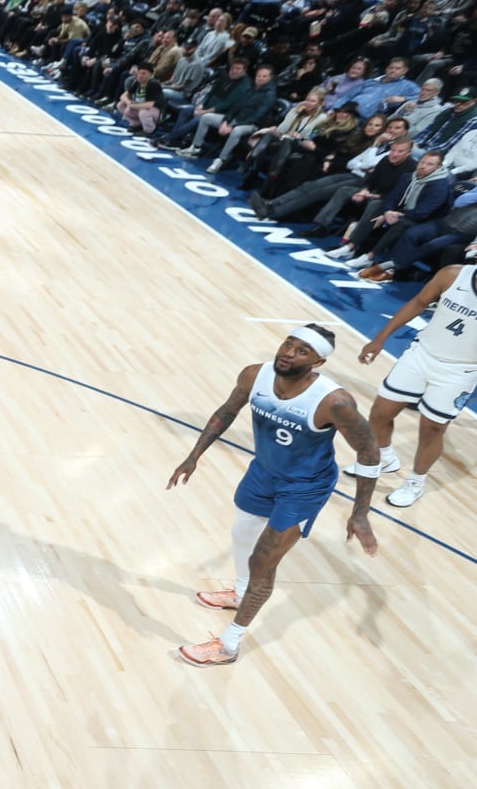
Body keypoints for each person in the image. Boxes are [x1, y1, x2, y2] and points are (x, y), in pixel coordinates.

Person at [167, 327, 380, 666]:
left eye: (302, 351)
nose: (289, 352)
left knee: (262, 563)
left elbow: (369, 453)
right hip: (263, 471)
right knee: (241, 533)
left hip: (304, 487)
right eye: (288, 343)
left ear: (318, 362)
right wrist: (194, 456)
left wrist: (360, 513)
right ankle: (240, 594)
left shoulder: (333, 402)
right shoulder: (255, 375)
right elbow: (227, 411)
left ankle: (229, 645)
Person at [352, 262, 477, 507]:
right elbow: (419, 302)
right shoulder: (453, 274)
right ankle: (385, 458)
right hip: (421, 355)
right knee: (380, 414)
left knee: (432, 428)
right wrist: (380, 338)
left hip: (461, 370)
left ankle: (415, 482)